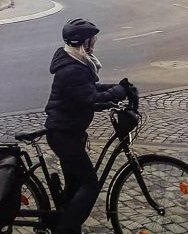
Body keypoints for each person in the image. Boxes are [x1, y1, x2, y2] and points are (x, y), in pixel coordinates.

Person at [45, 19, 131, 234]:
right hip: (63, 134)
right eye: (92, 40)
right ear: (84, 42)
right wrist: (118, 92)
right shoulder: (72, 69)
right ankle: (65, 229)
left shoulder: (76, 62)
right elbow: (89, 98)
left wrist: (117, 88)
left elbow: (88, 90)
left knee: (74, 186)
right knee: (90, 184)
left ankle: (66, 224)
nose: (94, 43)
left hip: (69, 132)